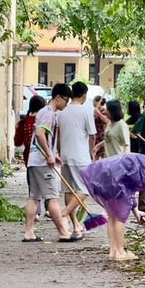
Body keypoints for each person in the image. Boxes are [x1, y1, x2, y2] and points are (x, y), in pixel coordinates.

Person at [81, 145, 145, 261]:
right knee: (120, 219)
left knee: (112, 216)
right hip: (115, 183)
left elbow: (130, 191)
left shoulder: (141, 160)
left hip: (105, 176)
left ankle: (113, 251)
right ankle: (120, 252)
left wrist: (136, 212)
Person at [23, 83, 76, 243]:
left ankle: (29, 232)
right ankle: (63, 232)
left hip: (34, 160)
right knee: (52, 197)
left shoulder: (42, 112)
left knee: (34, 197)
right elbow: (40, 134)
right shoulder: (49, 114)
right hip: (41, 162)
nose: (66, 104)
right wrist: (49, 155)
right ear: (58, 97)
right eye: (66, 100)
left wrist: (53, 154)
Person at [57, 81, 96, 238]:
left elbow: (59, 136)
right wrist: (92, 152)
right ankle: (64, 213)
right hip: (80, 156)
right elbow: (92, 135)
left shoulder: (63, 112)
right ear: (84, 95)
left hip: (65, 155)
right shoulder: (86, 110)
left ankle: (76, 227)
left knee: (69, 190)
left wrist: (60, 152)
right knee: (85, 189)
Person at [14, 95, 47, 219]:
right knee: (48, 185)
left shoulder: (23, 122)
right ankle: (49, 209)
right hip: (45, 157)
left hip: (30, 158)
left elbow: (17, 142)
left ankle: (36, 213)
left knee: (33, 187)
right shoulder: (46, 120)